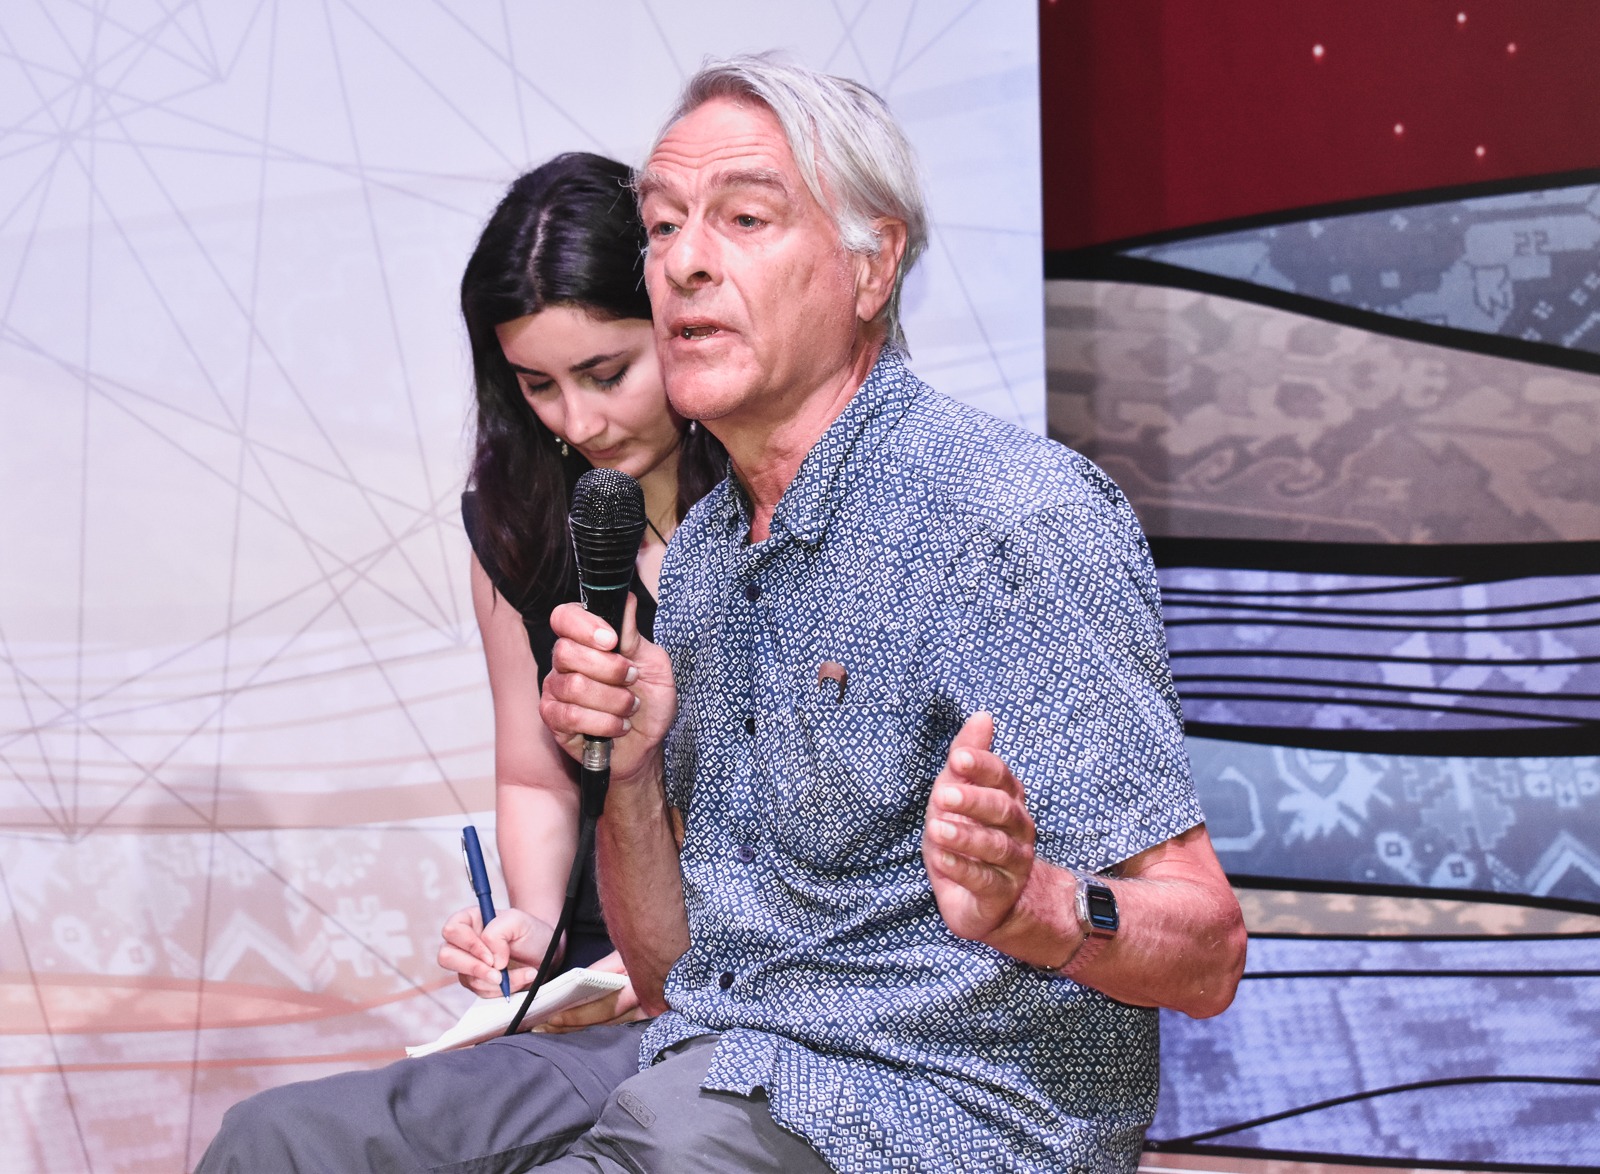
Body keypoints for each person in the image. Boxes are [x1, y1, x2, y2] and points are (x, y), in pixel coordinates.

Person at [198, 58, 1245, 1174]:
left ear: (871, 266)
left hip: (927, 1103)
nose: (684, 262)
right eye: (662, 226)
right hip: (707, 1051)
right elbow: (668, 977)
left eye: (744, 218)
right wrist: (632, 772)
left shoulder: (1006, 516)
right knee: (282, 1145)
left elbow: (1209, 950)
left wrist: (1033, 904)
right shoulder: (703, 555)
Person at [438, 153, 725, 1022]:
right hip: (610, 964)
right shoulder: (516, 520)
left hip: (767, 959)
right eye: (539, 386)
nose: (579, 420)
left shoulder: (776, 501)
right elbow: (536, 779)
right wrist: (537, 929)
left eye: (607, 374)